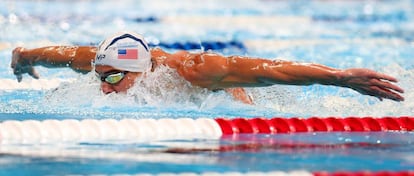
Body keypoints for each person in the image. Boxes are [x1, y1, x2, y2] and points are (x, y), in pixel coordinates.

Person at [10, 31, 404, 104]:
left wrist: (339, 78)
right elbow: (55, 53)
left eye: (114, 79)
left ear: (142, 71)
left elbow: (273, 69)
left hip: (228, 96)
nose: (105, 89)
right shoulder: (98, 62)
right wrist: (23, 57)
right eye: (101, 78)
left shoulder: (196, 70)